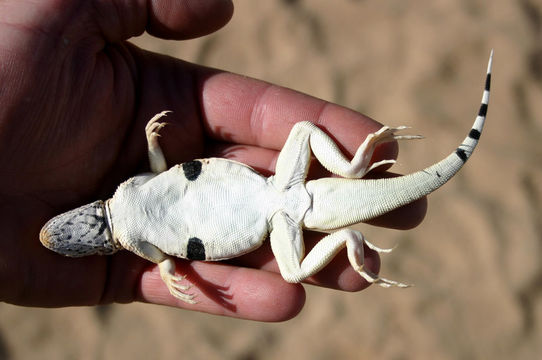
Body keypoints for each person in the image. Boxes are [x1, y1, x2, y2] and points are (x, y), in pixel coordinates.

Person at [0, 0, 426, 321]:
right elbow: (156, 173)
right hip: (274, 190)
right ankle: (351, 170)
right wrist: (151, 141)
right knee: (302, 131)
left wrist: (167, 274)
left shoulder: (136, 243)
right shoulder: (124, 194)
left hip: (273, 210)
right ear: (87, 211)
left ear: (99, 247)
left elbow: (165, 253)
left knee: (292, 274)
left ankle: (346, 239)